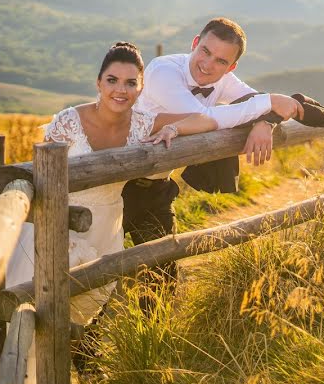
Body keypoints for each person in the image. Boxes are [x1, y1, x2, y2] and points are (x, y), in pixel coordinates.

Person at [4, 41, 281, 384]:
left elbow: (215, 118)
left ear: (140, 87)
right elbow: (39, 179)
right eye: (113, 80)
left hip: (110, 223)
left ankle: (107, 371)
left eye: (130, 83)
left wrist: (267, 115)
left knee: (93, 303)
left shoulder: (145, 122)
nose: (121, 89)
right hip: (59, 223)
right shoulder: (69, 121)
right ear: (98, 83)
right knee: (40, 308)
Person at [125, 18, 306, 247]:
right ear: (195, 43)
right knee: (95, 270)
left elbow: (253, 100)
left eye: (220, 61)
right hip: (115, 183)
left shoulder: (224, 80)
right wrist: (269, 102)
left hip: (158, 185)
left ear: (231, 67)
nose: (208, 65)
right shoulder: (163, 71)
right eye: (205, 51)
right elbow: (203, 118)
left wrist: (265, 123)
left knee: (163, 277)